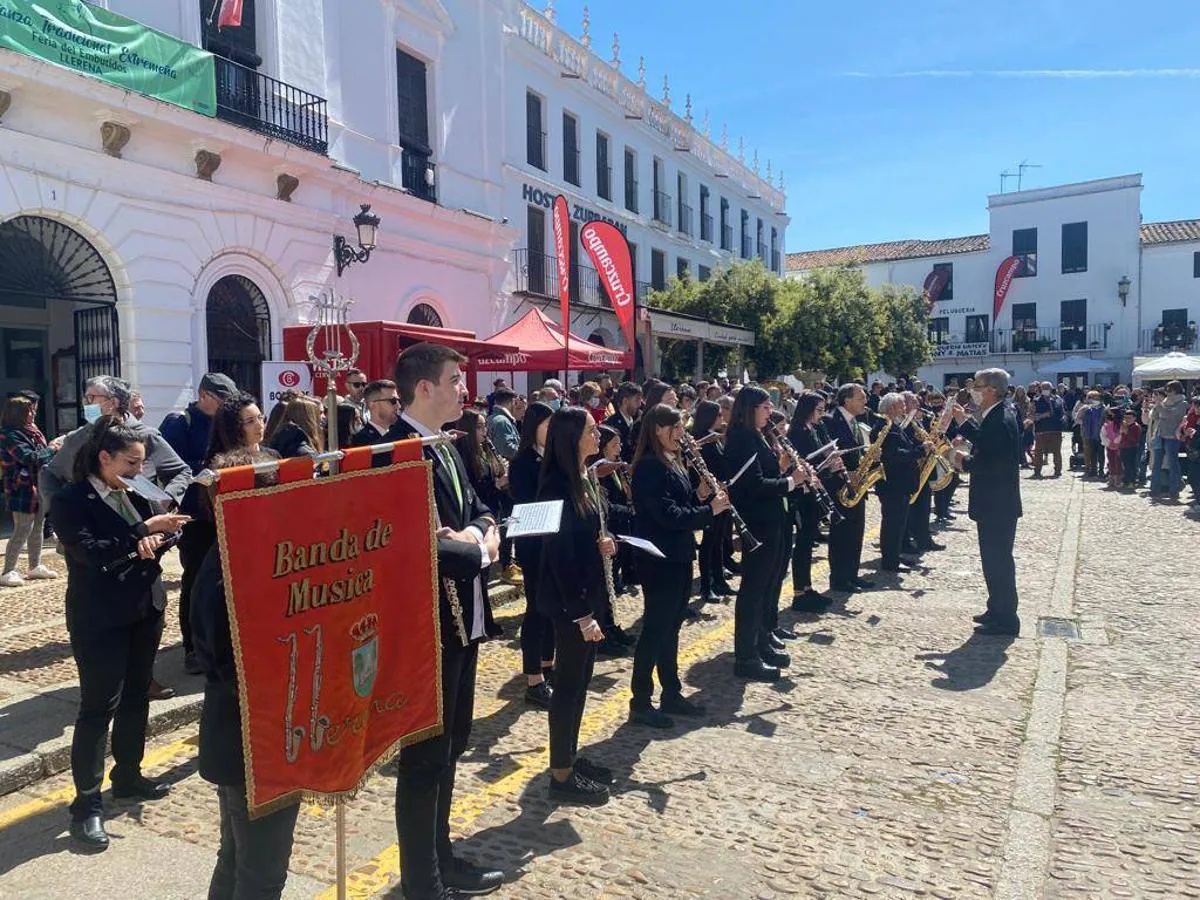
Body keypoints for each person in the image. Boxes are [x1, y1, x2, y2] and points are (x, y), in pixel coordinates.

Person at [390, 343, 504, 900]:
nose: (465, 388)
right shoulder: (394, 452)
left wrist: (483, 531)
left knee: (453, 746)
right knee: (425, 758)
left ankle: (440, 857)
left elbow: (483, 505)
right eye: (456, 379)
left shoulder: (446, 446)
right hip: (426, 629)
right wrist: (480, 551)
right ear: (425, 387)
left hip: (464, 620)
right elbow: (418, 547)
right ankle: (421, 882)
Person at [50, 417, 191, 849]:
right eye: (131, 463)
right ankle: (86, 804)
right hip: (100, 616)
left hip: (143, 608)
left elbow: (144, 547)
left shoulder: (137, 494)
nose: (138, 472)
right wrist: (142, 532)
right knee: (98, 707)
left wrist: (163, 535)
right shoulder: (71, 498)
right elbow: (89, 552)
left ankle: (128, 775)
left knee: (135, 697)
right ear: (104, 458)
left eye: (142, 465)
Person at [190, 449, 299, 899]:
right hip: (253, 744)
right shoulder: (234, 571)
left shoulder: (244, 556)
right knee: (262, 873)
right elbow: (234, 663)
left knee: (237, 856)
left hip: (247, 740)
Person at [536, 407, 617, 805]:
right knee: (567, 687)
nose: (598, 433)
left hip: (590, 595)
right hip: (572, 605)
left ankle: (569, 757)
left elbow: (589, 530)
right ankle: (560, 775)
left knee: (581, 682)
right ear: (571, 437)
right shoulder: (555, 484)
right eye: (590, 429)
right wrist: (582, 614)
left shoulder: (583, 475)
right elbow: (558, 555)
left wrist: (606, 541)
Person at [629, 403, 727, 726]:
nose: (682, 435)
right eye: (677, 429)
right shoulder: (648, 467)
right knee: (655, 630)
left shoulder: (674, 463)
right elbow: (666, 516)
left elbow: (681, 505)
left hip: (680, 556)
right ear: (658, 429)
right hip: (659, 560)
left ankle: (670, 691)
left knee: (672, 628)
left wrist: (700, 496)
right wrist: (709, 510)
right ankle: (640, 701)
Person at [176, 394, 273, 675]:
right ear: (234, 427)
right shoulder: (221, 467)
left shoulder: (273, 456)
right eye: (250, 421)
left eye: (261, 418)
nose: (259, 425)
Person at [725, 386, 801, 682]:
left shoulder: (757, 436)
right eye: (766, 408)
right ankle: (745, 656)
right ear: (750, 408)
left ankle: (761, 640)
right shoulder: (742, 438)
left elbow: (765, 476)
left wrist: (783, 470)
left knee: (769, 584)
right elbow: (752, 486)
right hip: (757, 522)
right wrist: (790, 483)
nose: (771, 413)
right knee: (753, 590)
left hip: (772, 519)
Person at [950, 368, 1023, 637]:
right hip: (996, 502)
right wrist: (965, 423)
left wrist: (962, 460)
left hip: (996, 503)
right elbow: (986, 440)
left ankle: (1006, 619)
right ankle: (997, 608)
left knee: (998, 561)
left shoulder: (1000, 418)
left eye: (977, 386)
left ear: (991, 389)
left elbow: (992, 461)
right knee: (993, 561)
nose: (973, 390)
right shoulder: (999, 414)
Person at [509, 402, 557, 709]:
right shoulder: (522, 461)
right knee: (536, 611)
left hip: (554, 543)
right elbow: (525, 501)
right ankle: (533, 677)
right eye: (547, 426)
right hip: (533, 544)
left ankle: (547, 666)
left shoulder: (552, 458)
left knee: (552, 609)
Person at [1, 395, 62, 586]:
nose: (33, 413)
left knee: (38, 526)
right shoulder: (9, 435)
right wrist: (52, 449)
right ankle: (8, 571)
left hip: (39, 485)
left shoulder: (31, 431)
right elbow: (29, 457)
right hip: (21, 488)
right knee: (22, 529)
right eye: (29, 410)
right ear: (18, 413)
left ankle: (34, 566)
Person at [787, 391, 836, 610]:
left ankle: (807, 587)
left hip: (814, 490)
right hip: (802, 495)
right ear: (807, 410)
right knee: (803, 544)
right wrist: (825, 465)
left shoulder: (814, 428)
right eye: (818, 410)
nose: (822, 414)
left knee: (808, 543)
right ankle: (799, 592)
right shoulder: (797, 431)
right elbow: (804, 462)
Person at [822, 384, 874, 594]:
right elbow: (829, 453)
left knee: (856, 532)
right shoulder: (830, 420)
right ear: (847, 400)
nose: (865, 402)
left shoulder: (855, 422)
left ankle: (852, 575)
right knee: (841, 535)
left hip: (856, 486)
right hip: (839, 486)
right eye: (861, 398)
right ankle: (839, 579)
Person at [877, 394, 935, 572]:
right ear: (892, 408)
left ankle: (895, 556)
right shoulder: (885, 427)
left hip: (900, 483)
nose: (904, 409)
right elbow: (895, 454)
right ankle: (890, 562)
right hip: (893, 484)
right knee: (892, 524)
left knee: (898, 524)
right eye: (902, 406)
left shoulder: (895, 425)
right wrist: (920, 450)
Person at [690, 400, 734, 604]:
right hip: (709, 494)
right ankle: (706, 587)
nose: (722, 418)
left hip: (722, 492)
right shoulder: (701, 438)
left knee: (719, 540)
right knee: (709, 542)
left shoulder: (715, 437)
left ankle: (719, 579)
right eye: (718, 415)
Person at [159, 372, 238, 476]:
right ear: (203, 394)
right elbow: (169, 466)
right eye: (221, 402)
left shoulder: (225, 424)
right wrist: (211, 467)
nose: (225, 407)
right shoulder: (178, 423)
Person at [1149, 380, 1188, 501]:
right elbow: (1155, 417)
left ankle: (1174, 490)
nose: (1166, 392)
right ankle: (1154, 489)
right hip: (1160, 435)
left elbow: (1171, 415)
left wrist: (1160, 406)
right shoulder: (1164, 402)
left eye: (1168, 390)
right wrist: (1156, 407)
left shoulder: (1183, 403)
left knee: (1173, 463)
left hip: (1172, 436)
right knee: (1156, 463)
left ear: (1175, 390)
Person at [350, 379, 403, 447]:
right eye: (393, 401)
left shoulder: (399, 432)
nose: (398, 405)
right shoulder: (362, 440)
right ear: (372, 405)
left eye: (398, 400)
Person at [1031, 381, 1064, 478]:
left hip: (1055, 430)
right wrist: (1043, 415)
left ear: (1051, 389)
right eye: (1044, 388)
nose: (1046, 390)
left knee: (1057, 452)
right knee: (1039, 452)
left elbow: (1062, 413)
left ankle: (1058, 471)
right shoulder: (1036, 401)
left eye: (1048, 388)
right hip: (1041, 431)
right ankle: (1037, 471)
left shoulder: (1058, 400)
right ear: (1041, 389)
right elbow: (1032, 416)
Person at [604, 381, 643, 463]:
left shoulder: (640, 421)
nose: (640, 404)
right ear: (625, 401)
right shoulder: (610, 424)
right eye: (636, 400)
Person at [485, 388, 521, 461]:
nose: (516, 406)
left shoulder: (492, 418)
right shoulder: (502, 421)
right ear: (512, 402)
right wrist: (526, 452)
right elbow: (506, 450)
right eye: (515, 403)